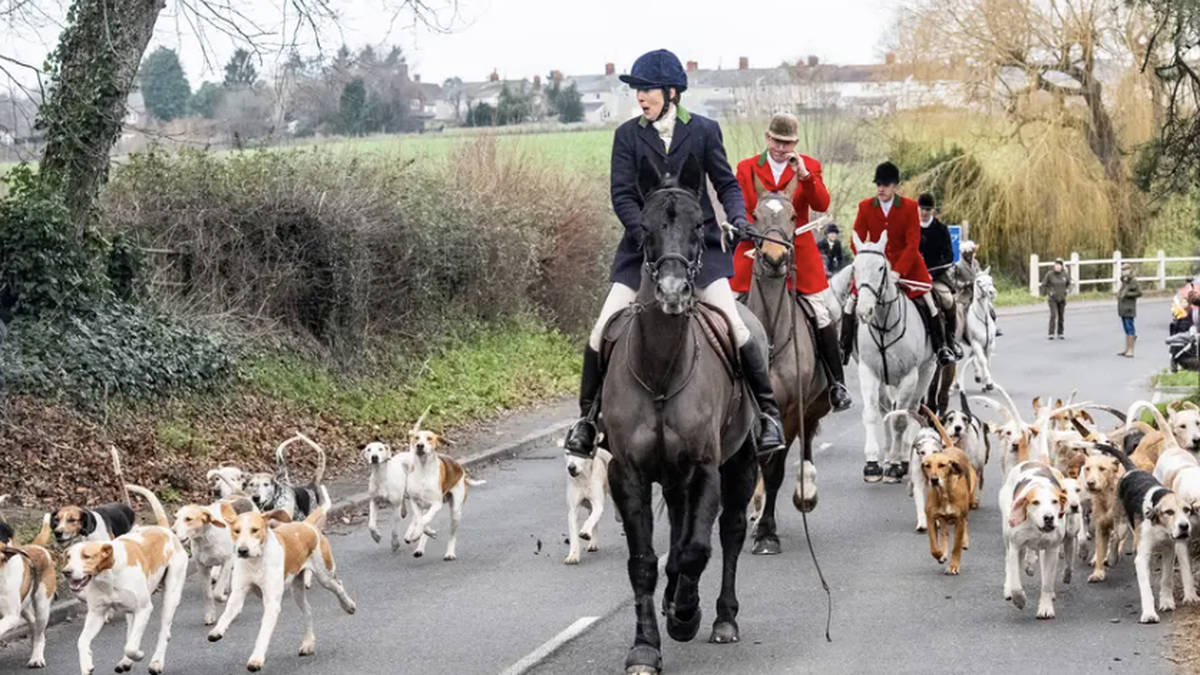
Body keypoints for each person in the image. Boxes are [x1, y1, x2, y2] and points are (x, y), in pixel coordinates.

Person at [563, 48, 785, 458]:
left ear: (671, 92)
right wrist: (644, 233)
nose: (641, 98)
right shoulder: (627, 136)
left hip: (698, 252)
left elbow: (726, 184)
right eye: (638, 91)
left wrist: (737, 216)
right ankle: (586, 421)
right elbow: (623, 195)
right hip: (642, 253)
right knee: (600, 331)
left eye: (647, 90)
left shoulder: (703, 130)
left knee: (737, 328)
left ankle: (767, 415)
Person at [729, 112, 852, 411]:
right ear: (767, 138)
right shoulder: (746, 168)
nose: (782, 149)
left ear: (795, 143)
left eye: (788, 143)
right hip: (754, 252)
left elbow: (822, 204)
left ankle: (837, 384)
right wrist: (757, 236)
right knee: (728, 309)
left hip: (798, 254)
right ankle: (725, 376)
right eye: (777, 141)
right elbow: (742, 208)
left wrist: (806, 176)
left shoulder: (808, 167)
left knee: (821, 314)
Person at [841, 161, 956, 367]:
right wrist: (866, 257)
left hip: (909, 267)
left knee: (929, 302)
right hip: (875, 268)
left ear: (896, 186)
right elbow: (855, 238)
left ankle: (942, 348)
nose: (881, 189)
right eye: (878, 184)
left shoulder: (910, 207)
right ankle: (845, 347)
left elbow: (913, 244)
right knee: (850, 303)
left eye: (885, 184)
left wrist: (898, 271)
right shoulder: (865, 206)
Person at [916, 193, 963, 358]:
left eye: (927, 209)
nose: (924, 213)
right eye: (921, 209)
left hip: (935, 276)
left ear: (933, 210)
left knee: (948, 300)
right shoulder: (911, 226)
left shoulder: (941, 229)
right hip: (912, 276)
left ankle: (950, 340)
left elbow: (949, 256)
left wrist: (932, 272)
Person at [1041, 257, 1070, 339]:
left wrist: (1067, 290)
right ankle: (1051, 333)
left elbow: (1069, 284)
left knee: (1061, 316)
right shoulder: (1050, 274)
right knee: (1053, 315)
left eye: (1059, 265)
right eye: (1056, 265)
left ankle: (1060, 333)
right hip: (1052, 298)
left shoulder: (1065, 275)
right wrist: (1048, 292)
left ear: (1061, 266)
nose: (1057, 267)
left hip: (1062, 298)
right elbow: (1044, 285)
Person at [1117, 263, 1141, 357]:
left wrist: (1127, 295)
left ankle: (1131, 350)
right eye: (1123, 269)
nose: (1124, 271)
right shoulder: (1124, 281)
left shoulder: (1133, 281)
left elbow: (1139, 293)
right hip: (1123, 307)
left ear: (1130, 270)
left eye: (1126, 269)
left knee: (1130, 327)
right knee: (1126, 328)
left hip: (1129, 307)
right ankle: (1127, 349)